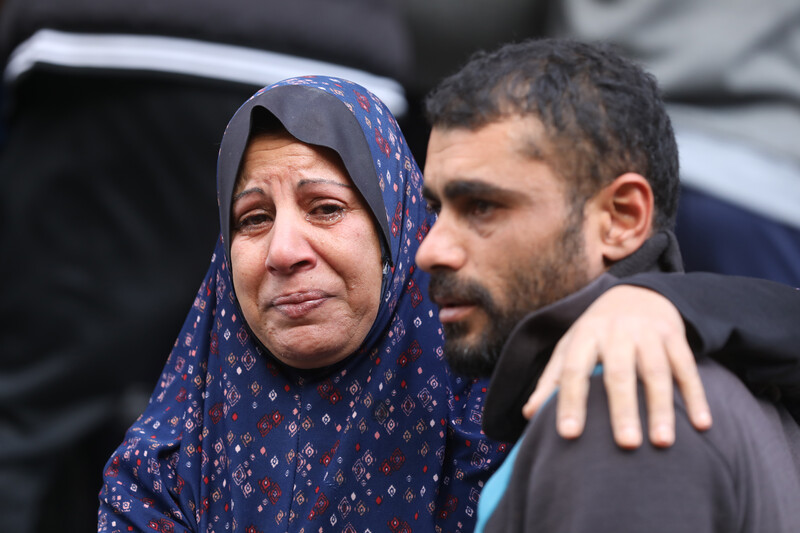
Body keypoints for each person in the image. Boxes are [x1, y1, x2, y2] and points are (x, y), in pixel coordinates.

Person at [0, 2, 417, 531]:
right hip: (333, 42)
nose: (285, 251)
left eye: (328, 209)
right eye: (252, 220)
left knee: (33, 407)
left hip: (109, 48)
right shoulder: (152, 483)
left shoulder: (494, 435)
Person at [416, 38, 800, 532]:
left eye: (482, 207)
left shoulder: (622, 404)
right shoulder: (708, 375)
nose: (430, 250)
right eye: (435, 209)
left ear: (621, 218)